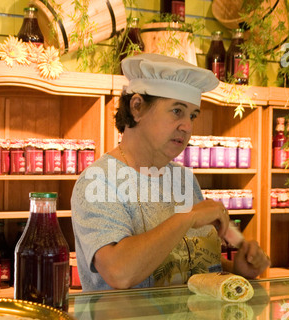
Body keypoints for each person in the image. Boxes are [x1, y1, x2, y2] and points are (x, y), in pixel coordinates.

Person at [71, 53, 270, 291]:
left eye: (193, 116)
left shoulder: (183, 179)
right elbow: (118, 272)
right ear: (137, 107)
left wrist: (236, 270)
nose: (187, 126)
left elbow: (190, 265)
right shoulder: (98, 181)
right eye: (177, 111)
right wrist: (188, 217)